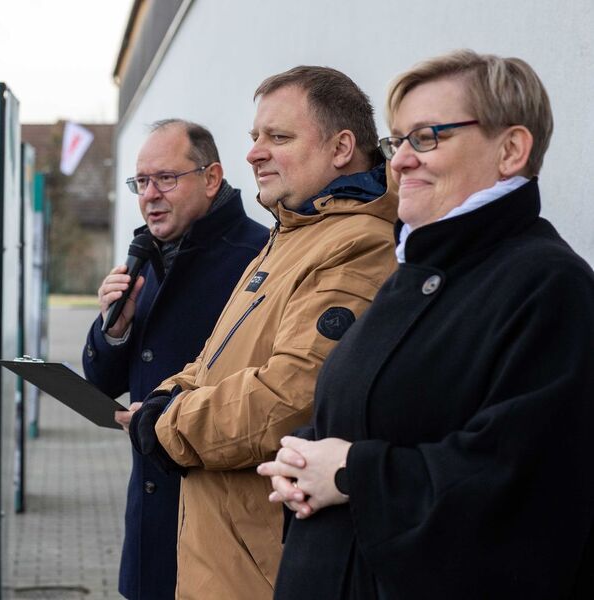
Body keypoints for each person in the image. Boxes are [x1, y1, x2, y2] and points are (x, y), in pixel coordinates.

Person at [258, 50, 594, 599]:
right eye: (398, 141)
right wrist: (303, 455)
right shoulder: (418, 269)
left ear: (511, 149)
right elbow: (380, 412)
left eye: (426, 137)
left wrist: (352, 473)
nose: (400, 162)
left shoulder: (549, 286)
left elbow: (521, 482)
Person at [130, 66, 399, 599]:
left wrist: (167, 424)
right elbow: (213, 360)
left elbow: (289, 400)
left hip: (262, 566)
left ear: (342, 147)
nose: (254, 153)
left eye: (278, 137)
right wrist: (169, 393)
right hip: (223, 550)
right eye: (256, 136)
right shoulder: (291, 233)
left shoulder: (358, 245)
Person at [83, 119, 268, 599]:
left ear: (211, 178)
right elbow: (102, 383)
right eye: (141, 182)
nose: (150, 195)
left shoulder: (259, 258)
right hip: (150, 524)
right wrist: (114, 330)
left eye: (165, 178)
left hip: (223, 529)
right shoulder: (146, 258)